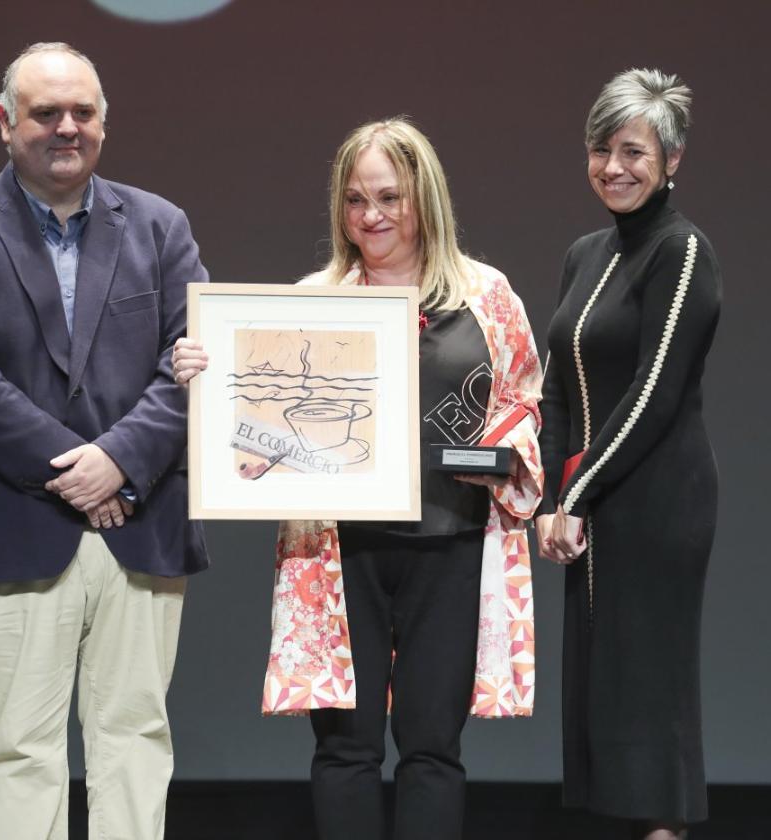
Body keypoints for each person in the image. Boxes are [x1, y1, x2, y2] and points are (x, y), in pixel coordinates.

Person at [173, 117, 543, 840]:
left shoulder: (487, 296)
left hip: (454, 544)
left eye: (389, 197)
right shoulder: (315, 298)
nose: (371, 216)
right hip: (338, 554)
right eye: (354, 200)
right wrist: (210, 376)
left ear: (424, 199)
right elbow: (263, 414)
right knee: (345, 747)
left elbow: (525, 400)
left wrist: (495, 451)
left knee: (434, 748)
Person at [0, 42, 208, 840]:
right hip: (9, 528)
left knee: (136, 742)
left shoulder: (161, 226)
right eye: (45, 113)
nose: (67, 127)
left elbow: (198, 364)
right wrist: (77, 471)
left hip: (141, 524)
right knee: (22, 750)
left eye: (84, 112)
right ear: (5, 123)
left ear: (105, 121)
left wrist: (119, 463)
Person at [535, 69, 721, 840]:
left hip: (654, 504)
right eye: (600, 149)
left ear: (671, 159)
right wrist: (550, 499)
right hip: (589, 505)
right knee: (604, 689)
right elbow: (555, 390)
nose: (614, 166)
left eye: (634, 150)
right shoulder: (586, 254)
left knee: (647, 684)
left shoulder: (681, 253)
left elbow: (652, 397)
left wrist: (572, 499)